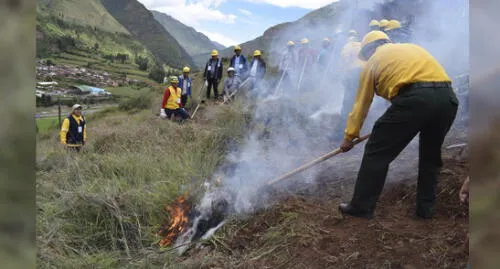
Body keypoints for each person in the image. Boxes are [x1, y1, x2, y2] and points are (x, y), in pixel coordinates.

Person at [338, 31, 459, 219]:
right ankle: (425, 211)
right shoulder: (412, 48)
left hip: (415, 99)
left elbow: (361, 105)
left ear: (369, 50)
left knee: (376, 152)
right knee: (430, 157)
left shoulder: (372, 62)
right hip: (447, 98)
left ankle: (361, 206)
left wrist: (349, 137)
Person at [331, 30, 365, 143]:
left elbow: (345, 60)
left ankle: (341, 133)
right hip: (365, 74)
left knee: (347, 104)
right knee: (359, 101)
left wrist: (342, 75)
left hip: (353, 74)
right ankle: (360, 127)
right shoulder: (362, 45)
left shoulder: (348, 46)